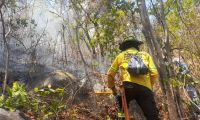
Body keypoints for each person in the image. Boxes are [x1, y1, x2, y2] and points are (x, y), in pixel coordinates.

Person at [107, 36, 159, 120]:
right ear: (136, 46)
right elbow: (154, 73)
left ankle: (121, 118)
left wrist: (113, 89)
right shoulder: (146, 55)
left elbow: (110, 74)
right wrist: (149, 86)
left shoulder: (121, 56)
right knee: (152, 116)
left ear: (124, 47)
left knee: (121, 106)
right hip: (145, 88)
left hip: (128, 86)